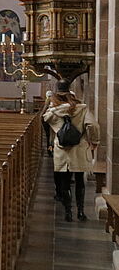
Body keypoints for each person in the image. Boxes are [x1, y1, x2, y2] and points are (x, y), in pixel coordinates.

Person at [43, 89, 99, 222]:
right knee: (80, 182)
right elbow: (93, 125)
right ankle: (80, 212)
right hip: (79, 148)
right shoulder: (82, 109)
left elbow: (45, 118)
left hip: (62, 150)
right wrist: (94, 141)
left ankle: (68, 212)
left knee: (65, 182)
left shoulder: (54, 112)